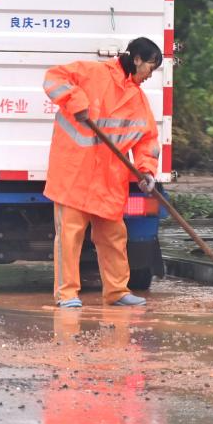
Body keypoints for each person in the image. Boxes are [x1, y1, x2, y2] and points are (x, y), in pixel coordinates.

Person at [42, 37, 163, 308]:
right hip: (74, 174)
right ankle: (67, 294)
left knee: (114, 237)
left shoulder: (137, 99)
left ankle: (117, 291)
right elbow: (53, 77)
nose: (149, 75)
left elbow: (148, 140)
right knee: (69, 237)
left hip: (109, 180)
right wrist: (76, 99)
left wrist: (146, 170)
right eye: (150, 67)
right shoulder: (92, 73)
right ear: (137, 60)